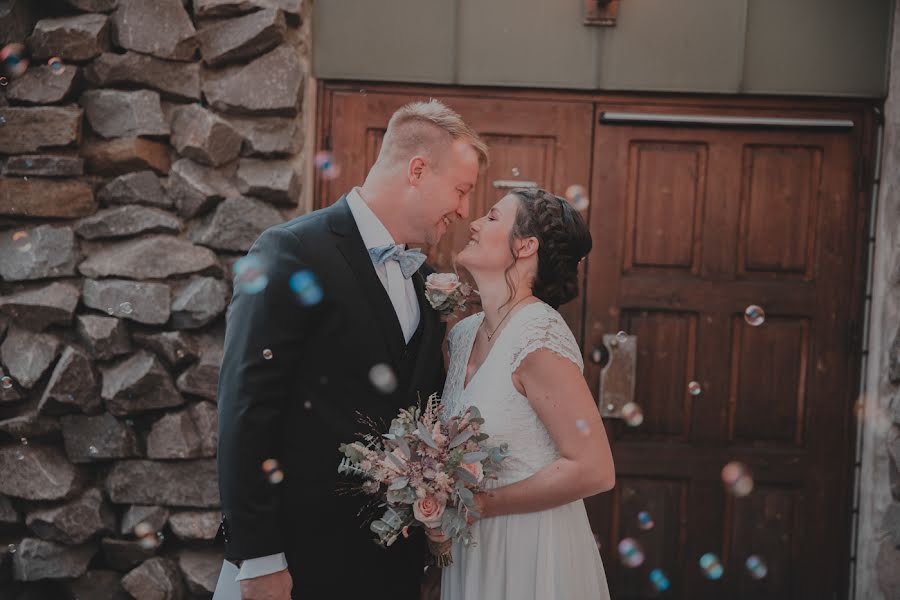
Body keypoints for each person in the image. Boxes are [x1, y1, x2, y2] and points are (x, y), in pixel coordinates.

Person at [214, 99, 488, 600]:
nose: (465, 209)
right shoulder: (292, 251)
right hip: (297, 559)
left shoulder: (425, 281)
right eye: (462, 190)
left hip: (389, 564)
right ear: (418, 170)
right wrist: (257, 556)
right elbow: (246, 408)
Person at [428, 187, 615, 600]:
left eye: (492, 218)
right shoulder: (462, 335)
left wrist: (481, 505)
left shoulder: (538, 334)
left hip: (531, 548)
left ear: (526, 245)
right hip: (474, 551)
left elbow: (594, 468)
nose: (474, 224)